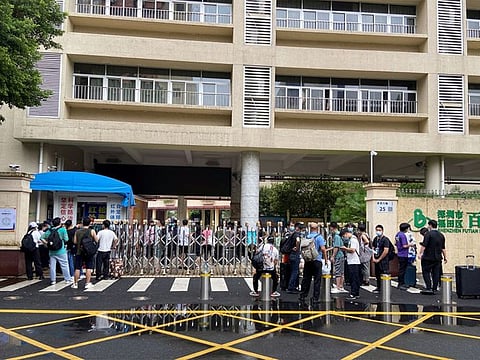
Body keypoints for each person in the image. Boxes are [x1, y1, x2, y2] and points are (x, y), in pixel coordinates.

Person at [299, 222, 327, 303]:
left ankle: (303, 295)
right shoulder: (319, 237)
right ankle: (315, 298)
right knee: (317, 280)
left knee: (306, 278)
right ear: (317, 228)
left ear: (310, 228)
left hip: (308, 260)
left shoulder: (307, 237)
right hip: (317, 260)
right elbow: (323, 249)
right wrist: (325, 259)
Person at [40, 217, 73, 285]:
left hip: (52, 251)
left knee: (52, 266)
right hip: (61, 250)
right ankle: (67, 279)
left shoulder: (50, 230)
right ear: (60, 223)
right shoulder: (62, 230)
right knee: (64, 265)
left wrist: (47, 244)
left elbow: (42, 238)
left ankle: (53, 280)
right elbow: (66, 239)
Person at [419, 219, 447, 295]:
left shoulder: (428, 234)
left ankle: (428, 287)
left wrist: (420, 253)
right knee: (436, 273)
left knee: (426, 272)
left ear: (430, 225)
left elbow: (424, 245)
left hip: (428, 257)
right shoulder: (441, 235)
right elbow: (443, 248)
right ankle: (434, 288)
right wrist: (445, 257)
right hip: (438, 257)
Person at [72, 217, 98, 289]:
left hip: (79, 251)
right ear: (90, 223)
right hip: (88, 252)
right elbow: (96, 240)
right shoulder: (92, 231)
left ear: (82, 223)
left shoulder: (77, 231)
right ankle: (87, 283)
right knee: (88, 267)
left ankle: (75, 283)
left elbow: (75, 242)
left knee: (77, 268)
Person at [340, 228, 361, 300]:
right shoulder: (352, 239)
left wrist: (345, 249)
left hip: (354, 261)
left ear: (346, 234)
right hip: (351, 261)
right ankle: (354, 292)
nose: (344, 237)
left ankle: (354, 293)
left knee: (354, 278)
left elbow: (352, 250)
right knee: (353, 278)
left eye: (343, 236)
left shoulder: (353, 240)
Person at [372, 224, 390, 293]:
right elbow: (373, 248)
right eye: (377, 230)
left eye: (379, 230)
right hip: (376, 258)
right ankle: (378, 287)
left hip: (383, 260)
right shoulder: (375, 239)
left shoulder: (385, 240)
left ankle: (384, 288)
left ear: (382, 231)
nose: (378, 232)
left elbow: (386, 250)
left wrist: (379, 259)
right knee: (377, 274)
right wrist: (373, 257)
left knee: (383, 273)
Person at [330, 222, 347, 294]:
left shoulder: (336, 236)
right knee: (341, 272)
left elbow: (336, 247)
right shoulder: (340, 234)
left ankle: (338, 287)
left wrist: (333, 256)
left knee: (338, 271)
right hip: (342, 255)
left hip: (338, 256)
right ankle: (341, 286)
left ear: (332, 228)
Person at [286, 222, 304, 294]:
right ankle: (291, 287)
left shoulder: (292, 234)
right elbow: (298, 241)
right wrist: (297, 247)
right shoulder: (297, 234)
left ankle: (292, 286)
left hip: (291, 254)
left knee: (293, 271)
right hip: (295, 255)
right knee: (295, 272)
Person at [395, 223, 411, 291]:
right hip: (404, 254)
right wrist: (411, 244)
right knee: (402, 270)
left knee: (401, 269)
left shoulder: (398, 234)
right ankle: (401, 283)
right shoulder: (403, 235)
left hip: (399, 253)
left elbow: (396, 243)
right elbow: (404, 245)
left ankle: (402, 282)